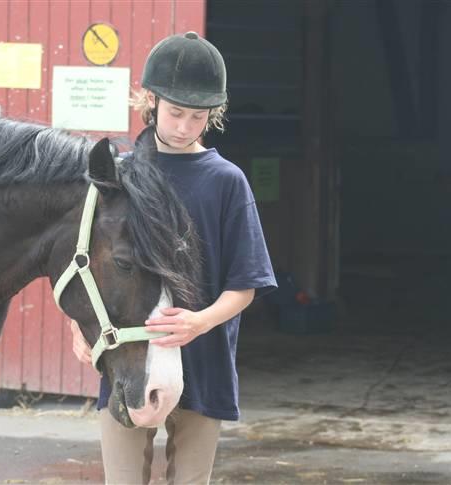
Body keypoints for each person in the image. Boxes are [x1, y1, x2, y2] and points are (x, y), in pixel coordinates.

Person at [69, 31, 277, 484]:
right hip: (127, 358)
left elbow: (245, 285)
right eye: (175, 112)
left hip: (204, 361)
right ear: (151, 101)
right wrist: (78, 326)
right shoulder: (120, 174)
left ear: (213, 115)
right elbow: (88, 265)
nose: (184, 127)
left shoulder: (227, 182)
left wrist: (199, 322)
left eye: (197, 117)